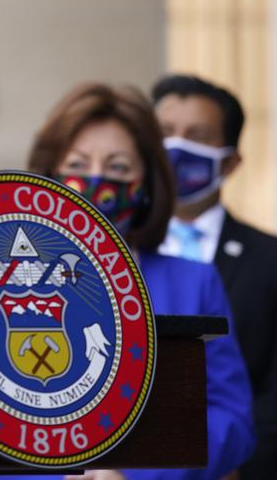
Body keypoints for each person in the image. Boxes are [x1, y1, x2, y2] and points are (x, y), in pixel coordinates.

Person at [0, 83, 254, 480]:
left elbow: (231, 421)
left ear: (147, 184)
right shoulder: (0, 282)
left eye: (118, 168)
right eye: (78, 166)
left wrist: (133, 474)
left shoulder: (194, 282)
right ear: (50, 178)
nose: (97, 181)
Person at [152, 74, 277, 480]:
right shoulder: (117, 257)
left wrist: (235, 465)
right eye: (165, 133)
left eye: (197, 135)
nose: (176, 147)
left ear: (230, 160)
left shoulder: (269, 259)